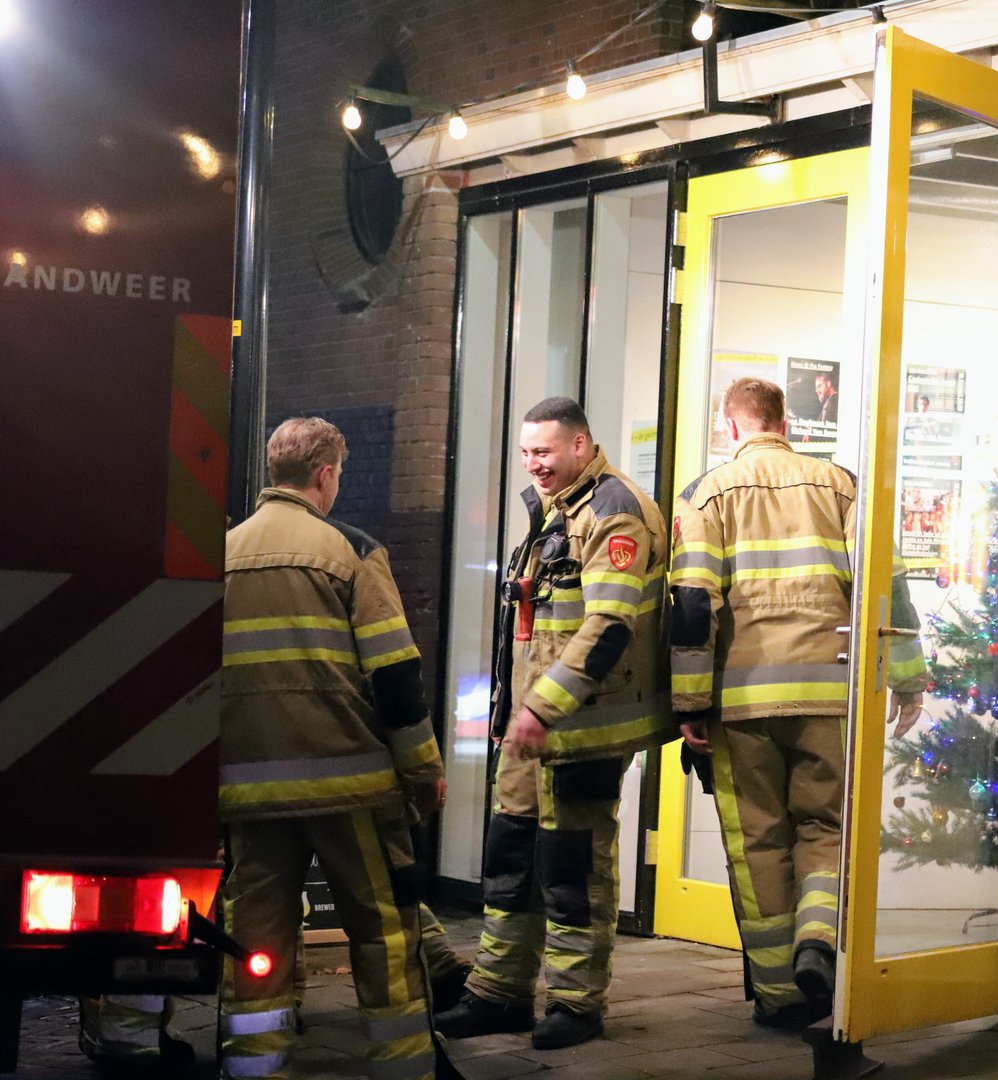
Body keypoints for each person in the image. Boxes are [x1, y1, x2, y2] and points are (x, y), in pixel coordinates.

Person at [669, 378, 926, 1030]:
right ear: (786, 423)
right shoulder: (841, 486)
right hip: (828, 693)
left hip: (742, 700)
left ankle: (780, 994)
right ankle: (818, 939)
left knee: (759, 840)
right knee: (826, 827)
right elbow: (887, 585)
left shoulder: (706, 494)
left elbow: (694, 603)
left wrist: (690, 702)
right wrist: (907, 677)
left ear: (731, 426)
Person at [435, 397, 671, 1050]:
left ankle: (575, 1003)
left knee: (574, 867)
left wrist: (542, 706)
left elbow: (609, 626)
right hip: (530, 729)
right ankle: (498, 992)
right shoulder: (554, 509)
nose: (533, 464)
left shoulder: (614, 509)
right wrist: (514, 714)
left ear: (580, 445)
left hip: (581, 728)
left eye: (543, 451)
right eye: (526, 452)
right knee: (510, 853)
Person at [219, 417, 444, 1080]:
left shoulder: (222, 553)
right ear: (325, 475)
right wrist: (423, 770)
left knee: (255, 935)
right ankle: (403, 1066)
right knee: (384, 930)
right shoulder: (351, 552)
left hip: (252, 790)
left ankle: (255, 1065)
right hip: (350, 788)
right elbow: (395, 677)